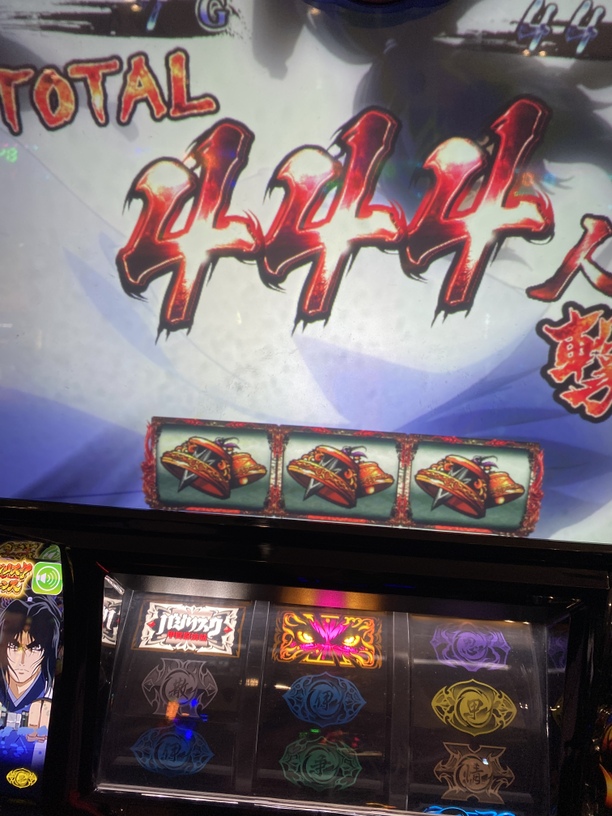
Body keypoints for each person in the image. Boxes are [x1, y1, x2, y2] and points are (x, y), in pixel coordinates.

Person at [0, 597, 61, 716]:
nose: (21, 660)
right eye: (14, 647)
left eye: (33, 649)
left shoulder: (50, 691)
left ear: (47, 651)